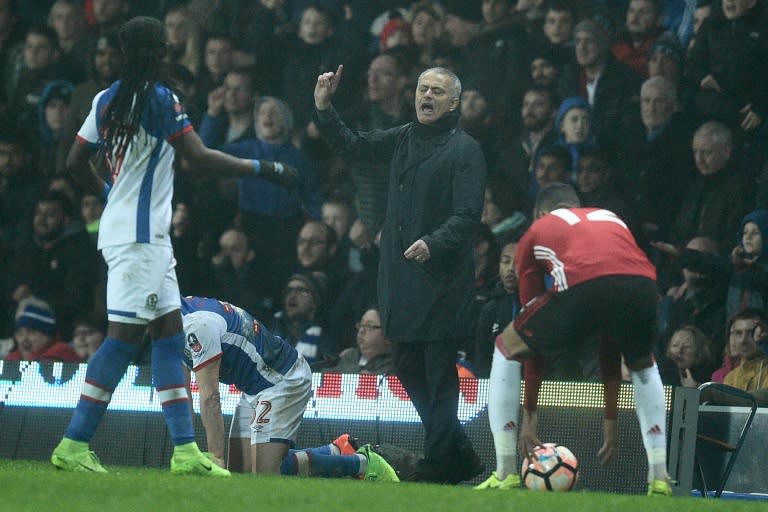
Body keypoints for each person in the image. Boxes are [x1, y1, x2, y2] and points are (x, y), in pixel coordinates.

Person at [50, 16, 298, 477]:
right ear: (158, 52)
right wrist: (265, 169)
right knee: (122, 341)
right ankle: (73, 442)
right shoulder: (160, 99)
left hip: (142, 235)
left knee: (168, 338)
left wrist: (111, 193)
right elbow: (200, 157)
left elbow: (74, 158)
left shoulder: (106, 99)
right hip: (140, 239)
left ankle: (186, 451)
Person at [313, 64, 485, 484]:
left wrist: (433, 242)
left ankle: (441, 464)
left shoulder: (465, 150)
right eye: (423, 88)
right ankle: (460, 453)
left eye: (437, 91)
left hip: (442, 281)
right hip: (401, 278)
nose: (427, 96)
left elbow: (468, 216)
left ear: (454, 103)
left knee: (440, 377)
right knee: (407, 369)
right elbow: (355, 147)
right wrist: (324, 108)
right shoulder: (405, 137)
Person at [490, 183, 673, 496]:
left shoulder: (536, 230)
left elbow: (530, 343)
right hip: (643, 285)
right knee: (643, 365)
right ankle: (659, 477)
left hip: (581, 286)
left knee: (507, 346)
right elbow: (609, 341)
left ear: (542, 213)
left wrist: (530, 418)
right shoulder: (610, 217)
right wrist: (610, 420)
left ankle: (505, 471)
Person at [179, 295, 312, 473]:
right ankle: (335, 450)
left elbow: (210, 396)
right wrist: (184, 448)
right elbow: (181, 395)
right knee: (240, 473)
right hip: (252, 386)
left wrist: (215, 458)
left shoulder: (197, 325)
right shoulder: (170, 326)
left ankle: (347, 459)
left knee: (263, 475)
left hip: (282, 378)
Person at [5, 298, 80, 362]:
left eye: (31, 332)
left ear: (48, 335)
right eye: (20, 333)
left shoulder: (59, 353)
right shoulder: (12, 359)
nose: (24, 339)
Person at [325, 307, 393, 374]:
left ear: (387, 335)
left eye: (369, 326)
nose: (361, 330)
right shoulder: (350, 356)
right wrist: (358, 373)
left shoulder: (395, 364)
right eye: (360, 325)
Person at [722, 308, 768, 392]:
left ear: (764, 335)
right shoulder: (730, 378)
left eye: (750, 333)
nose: (743, 340)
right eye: (738, 333)